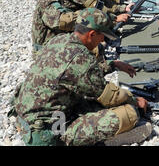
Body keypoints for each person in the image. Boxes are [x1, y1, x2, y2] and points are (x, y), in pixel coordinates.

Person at [11, 8, 151, 146]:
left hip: (27, 118)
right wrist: (135, 100)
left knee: (93, 103)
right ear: (92, 34)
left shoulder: (59, 40)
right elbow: (110, 97)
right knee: (129, 114)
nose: (103, 40)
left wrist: (113, 64)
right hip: (45, 132)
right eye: (102, 36)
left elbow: (79, 74)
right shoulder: (80, 58)